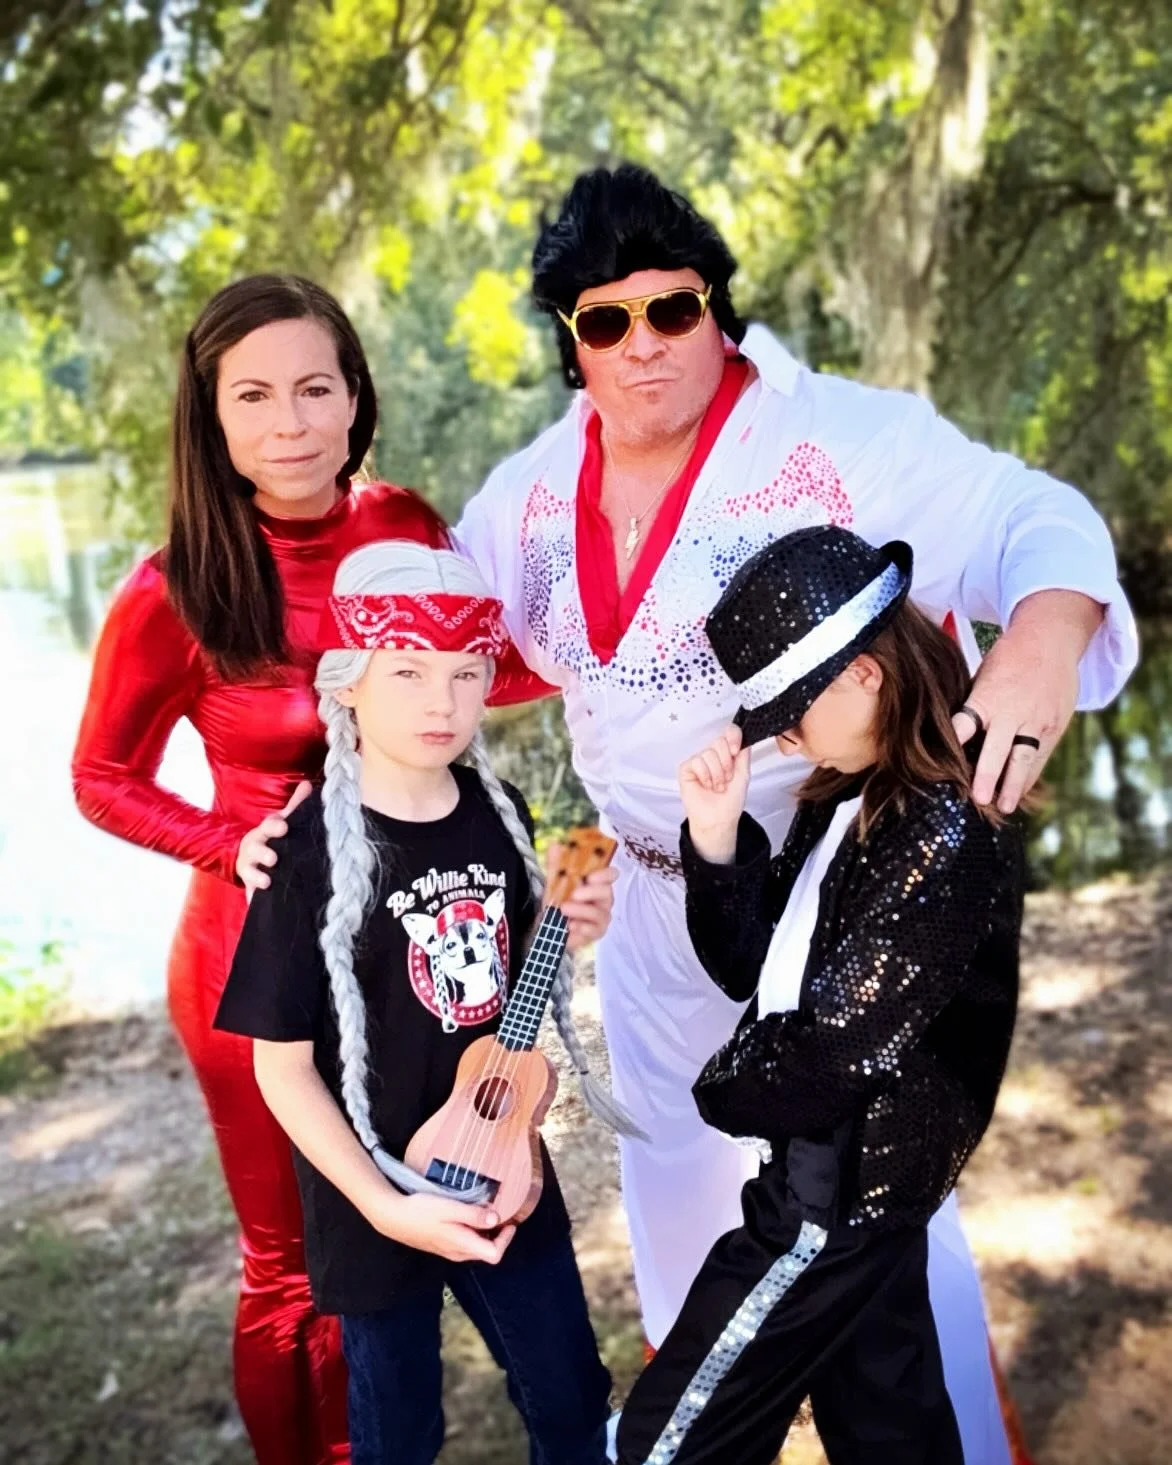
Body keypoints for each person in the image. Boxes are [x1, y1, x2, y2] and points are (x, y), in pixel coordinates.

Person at [451, 164, 1138, 1463]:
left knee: (880, 1238)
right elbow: (457, 662)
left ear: (719, 304)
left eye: (676, 308)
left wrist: (1039, 647)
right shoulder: (527, 496)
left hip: (842, 904)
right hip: (664, 909)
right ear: (569, 340)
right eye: (608, 322)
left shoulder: (848, 440)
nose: (646, 345)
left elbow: (1036, 519)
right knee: (687, 1245)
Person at [69, 274, 574, 1464]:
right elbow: (100, 776)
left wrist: (604, 650)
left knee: (413, 1215)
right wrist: (217, 838)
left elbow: (470, 673)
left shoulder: (404, 526)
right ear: (210, 414)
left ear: (355, 397)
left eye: (314, 387)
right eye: (252, 395)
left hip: (411, 949)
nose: (288, 421)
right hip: (254, 957)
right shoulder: (169, 584)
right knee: (293, 1267)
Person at [615, 525, 1025, 1465]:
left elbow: (834, 1047)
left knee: (665, 1443)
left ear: (864, 677)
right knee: (894, 1434)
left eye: (792, 711)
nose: (786, 736)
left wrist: (715, 1092)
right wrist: (716, 841)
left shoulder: (940, 830)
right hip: (855, 1198)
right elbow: (761, 971)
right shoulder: (847, 801)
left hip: (832, 1201)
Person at [214, 540, 615, 1465]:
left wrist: (569, 922)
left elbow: (505, 991)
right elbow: (280, 1064)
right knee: (398, 1427)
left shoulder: (498, 809)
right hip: (372, 1195)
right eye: (408, 671)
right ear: (349, 682)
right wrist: (383, 1206)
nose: (442, 702)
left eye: (467, 672)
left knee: (568, 1393)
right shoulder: (302, 851)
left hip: (500, 1175)